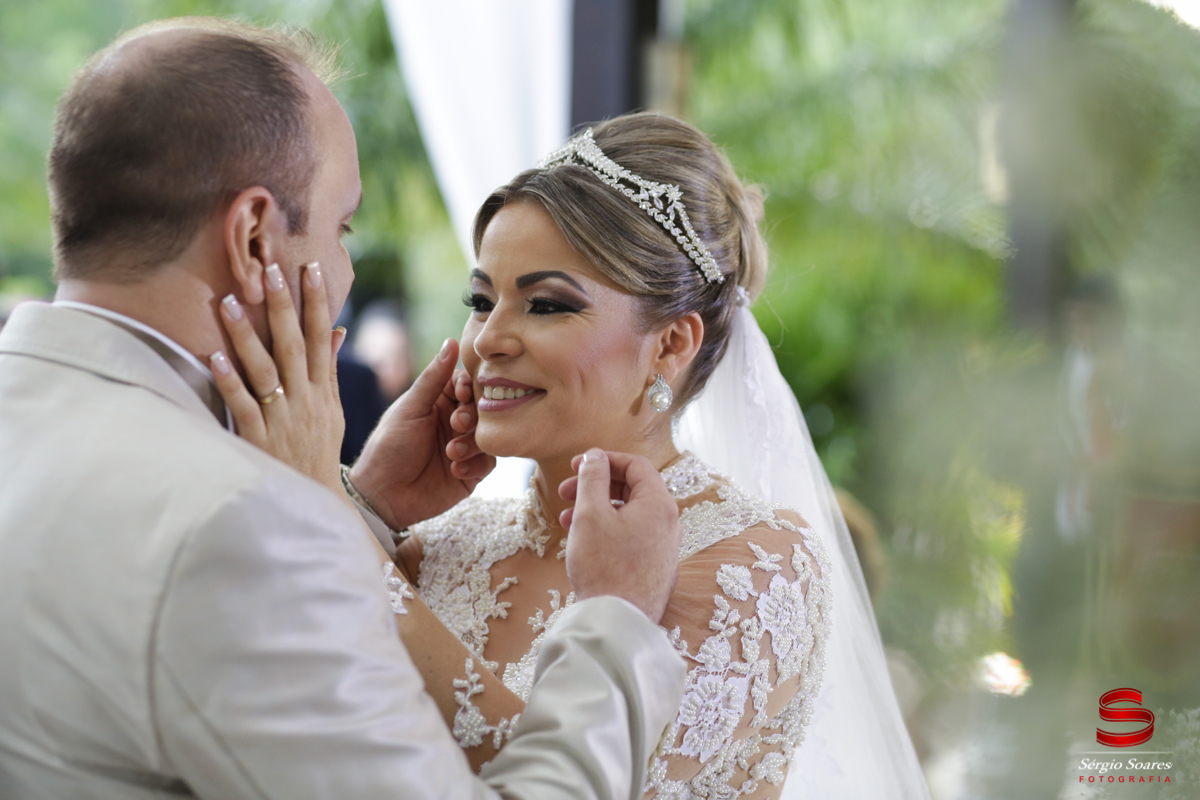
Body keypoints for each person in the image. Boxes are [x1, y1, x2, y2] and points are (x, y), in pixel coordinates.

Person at [0, 18, 690, 800]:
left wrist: (360, 506)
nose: (346, 271)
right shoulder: (239, 527)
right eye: (342, 227)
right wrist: (615, 621)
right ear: (254, 238)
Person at [229, 115, 931, 798]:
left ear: (671, 345)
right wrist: (367, 505)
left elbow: (580, 778)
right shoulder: (441, 547)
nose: (488, 339)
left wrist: (331, 514)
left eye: (546, 305)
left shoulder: (757, 568)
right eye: (481, 300)